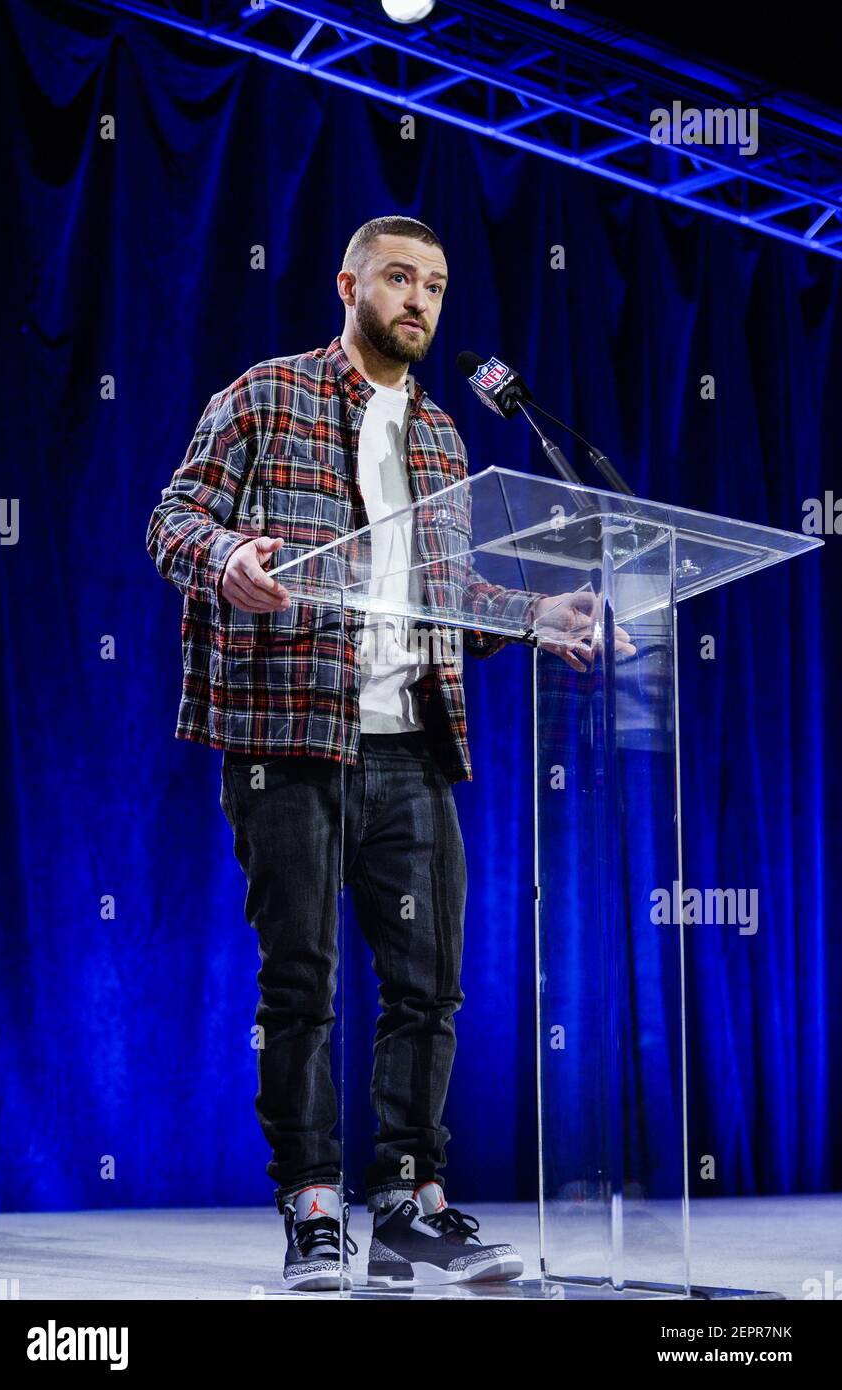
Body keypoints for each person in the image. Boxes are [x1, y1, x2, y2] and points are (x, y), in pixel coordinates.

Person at [147, 214, 631, 1292]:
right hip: (290, 737)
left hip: (412, 740)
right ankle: (313, 1205)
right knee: (302, 983)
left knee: (427, 987)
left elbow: (446, 598)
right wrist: (225, 553)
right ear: (348, 286)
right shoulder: (264, 396)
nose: (419, 300)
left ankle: (412, 1201)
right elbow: (171, 517)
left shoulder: (445, 439)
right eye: (399, 279)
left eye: (437, 286)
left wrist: (545, 613)